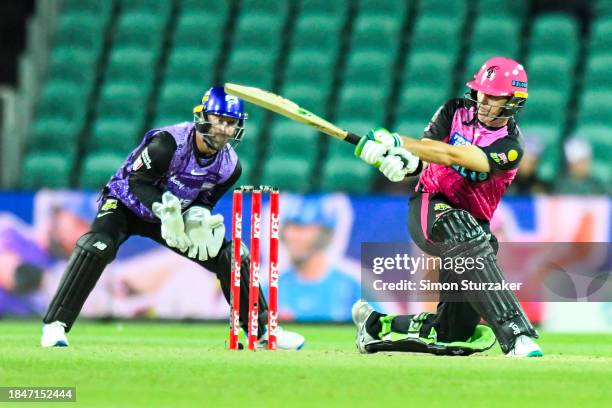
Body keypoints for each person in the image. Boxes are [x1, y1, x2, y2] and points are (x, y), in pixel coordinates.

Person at [40, 86, 304, 350]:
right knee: (96, 247)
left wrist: (198, 217)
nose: (224, 128)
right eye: (219, 120)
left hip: (175, 217)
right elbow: (138, 181)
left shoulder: (229, 166)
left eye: (231, 122)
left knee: (232, 255)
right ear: (203, 117)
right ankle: (55, 326)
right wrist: (163, 209)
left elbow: (205, 200)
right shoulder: (168, 143)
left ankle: (262, 332)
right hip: (126, 204)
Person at [352, 56, 543, 357]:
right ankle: (516, 334)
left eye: (494, 96)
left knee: (454, 330)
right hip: (430, 206)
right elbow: (428, 153)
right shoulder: (454, 110)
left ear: (513, 101)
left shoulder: (510, 147)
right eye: (482, 91)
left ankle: (376, 326)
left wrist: (398, 141)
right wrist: (402, 161)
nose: (484, 100)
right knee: (461, 228)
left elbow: (454, 156)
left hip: (473, 228)